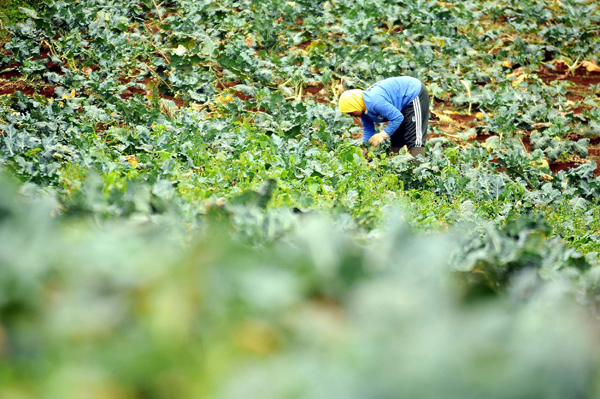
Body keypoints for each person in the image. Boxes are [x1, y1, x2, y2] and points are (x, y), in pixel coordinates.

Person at [338, 76, 430, 157]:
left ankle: (419, 169)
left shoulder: (374, 102)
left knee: (415, 138)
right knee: (396, 137)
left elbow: (398, 117)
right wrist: (365, 149)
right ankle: (397, 165)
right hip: (401, 102)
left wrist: (382, 135)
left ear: (355, 105)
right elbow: (368, 131)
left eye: (351, 113)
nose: (352, 116)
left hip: (413, 93)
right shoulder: (363, 108)